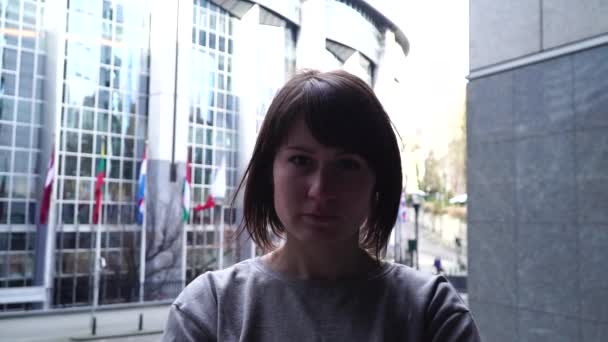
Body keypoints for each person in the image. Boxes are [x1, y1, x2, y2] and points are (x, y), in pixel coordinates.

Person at [162, 70, 481, 341]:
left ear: (378, 182)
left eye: (347, 164)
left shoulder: (431, 312)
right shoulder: (209, 310)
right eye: (301, 161)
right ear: (268, 172)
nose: (321, 189)